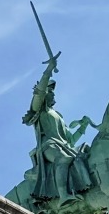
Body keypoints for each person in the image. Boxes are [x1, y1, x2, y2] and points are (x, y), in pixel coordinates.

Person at [21, 62, 94, 204]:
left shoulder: (57, 115)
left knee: (82, 154)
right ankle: (63, 196)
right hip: (48, 147)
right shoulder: (40, 110)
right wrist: (48, 70)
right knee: (64, 158)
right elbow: (39, 93)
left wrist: (82, 127)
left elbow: (70, 139)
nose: (53, 94)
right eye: (51, 91)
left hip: (63, 145)